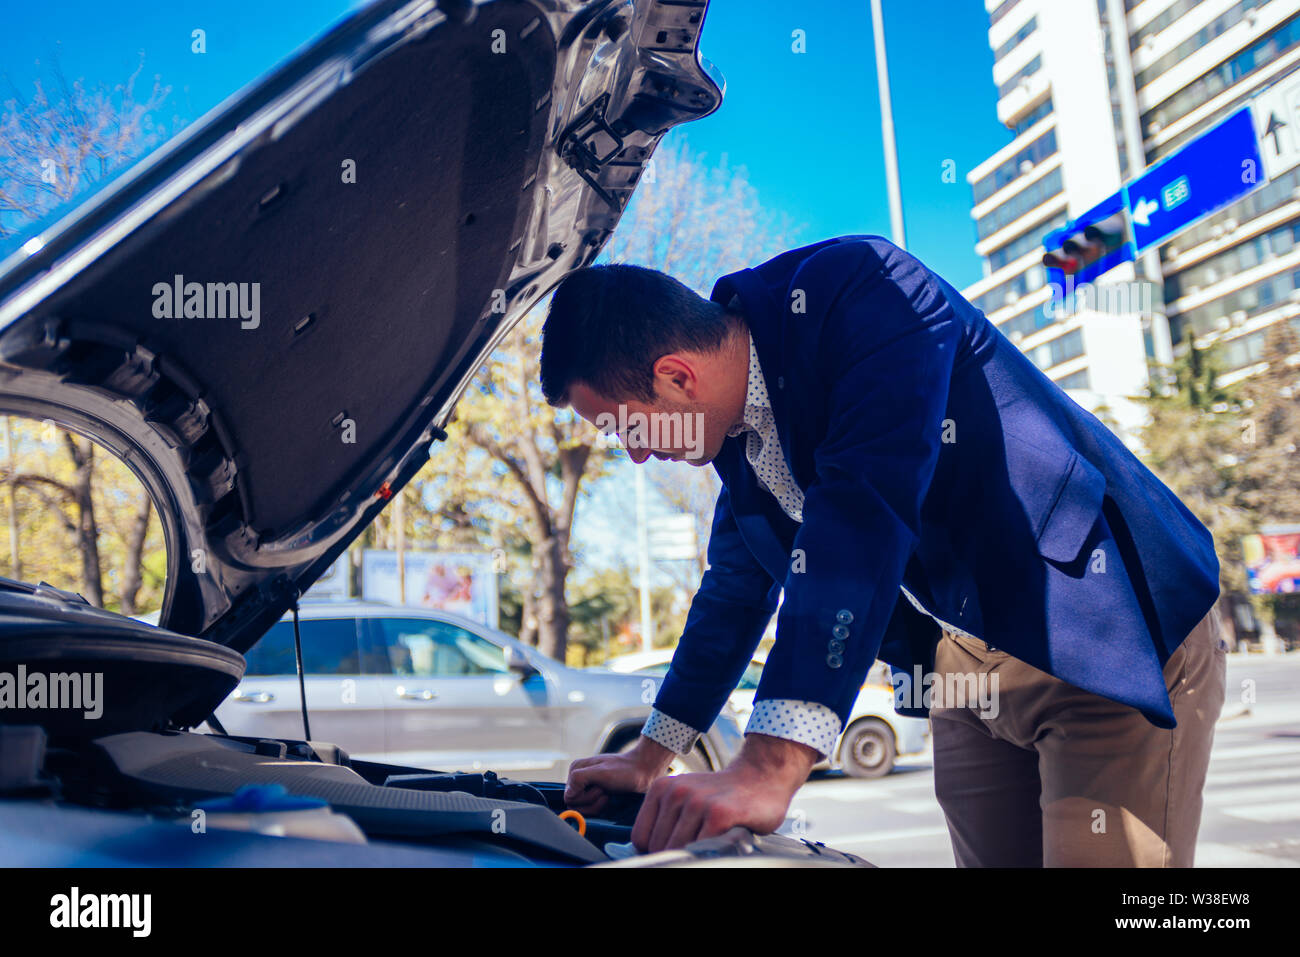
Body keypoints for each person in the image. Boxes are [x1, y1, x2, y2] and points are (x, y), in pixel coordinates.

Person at [542, 235, 1227, 866]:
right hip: (964, 674)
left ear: (677, 377)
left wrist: (770, 762)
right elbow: (732, 594)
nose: (632, 453)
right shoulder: (738, 443)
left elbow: (863, 509)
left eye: (621, 426)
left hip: (1101, 630)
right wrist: (650, 753)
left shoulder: (863, 289)